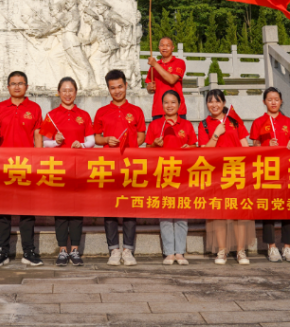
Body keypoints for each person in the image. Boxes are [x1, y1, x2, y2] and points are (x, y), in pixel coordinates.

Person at [0, 71, 43, 267]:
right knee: (3, 211)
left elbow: (38, 136)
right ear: (8, 87)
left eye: (21, 83)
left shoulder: (35, 108)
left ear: (26, 87)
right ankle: (2, 251)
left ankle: (29, 252)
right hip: (4, 166)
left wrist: (38, 162)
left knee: (27, 211)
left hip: (27, 166)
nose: (17, 87)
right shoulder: (0, 108)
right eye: (13, 83)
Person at [93, 69, 146, 266]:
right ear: (108, 89)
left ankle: (128, 250)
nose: (117, 91)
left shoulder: (137, 111)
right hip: (108, 165)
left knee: (130, 206)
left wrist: (131, 144)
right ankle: (113, 249)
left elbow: (141, 135)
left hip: (131, 166)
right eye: (113, 88)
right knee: (110, 207)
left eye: (120, 87)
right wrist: (107, 139)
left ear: (126, 86)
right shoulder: (101, 112)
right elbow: (96, 138)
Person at [199, 90, 255, 265]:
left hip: (236, 172)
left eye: (217, 101)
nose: (214, 105)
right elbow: (203, 151)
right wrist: (216, 133)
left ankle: (240, 251)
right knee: (218, 213)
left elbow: (246, 146)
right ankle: (221, 251)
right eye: (210, 102)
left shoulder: (234, 121)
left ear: (224, 103)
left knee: (239, 213)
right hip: (216, 174)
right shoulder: (204, 125)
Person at [43, 77, 94, 267]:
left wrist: (80, 144)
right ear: (58, 92)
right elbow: (44, 143)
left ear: (76, 92)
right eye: (64, 90)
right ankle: (62, 249)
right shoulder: (51, 116)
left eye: (71, 90)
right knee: (61, 210)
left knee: (76, 210)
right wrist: (55, 142)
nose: (67, 93)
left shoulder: (84, 115)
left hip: (78, 169)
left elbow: (91, 141)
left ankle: (75, 250)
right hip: (58, 169)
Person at [250, 86, 290, 263]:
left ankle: (287, 247)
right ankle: (271, 247)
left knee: (288, 207)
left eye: (276, 99)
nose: (273, 102)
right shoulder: (258, 122)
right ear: (264, 101)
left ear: (281, 101)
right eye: (269, 99)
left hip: (286, 170)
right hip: (267, 170)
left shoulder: (288, 122)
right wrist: (265, 146)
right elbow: (254, 147)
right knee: (268, 208)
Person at [146, 90, 196, 265]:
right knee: (165, 214)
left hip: (182, 175)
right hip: (163, 174)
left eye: (173, 102)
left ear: (179, 104)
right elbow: (146, 151)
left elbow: (195, 150)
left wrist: (189, 148)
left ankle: (180, 252)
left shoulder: (187, 125)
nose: (169, 105)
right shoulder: (155, 125)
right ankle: (168, 252)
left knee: (182, 213)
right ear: (161, 105)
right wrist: (154, 145)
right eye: (166, 102)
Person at [145, 36, 187, 119]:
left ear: (172, 48)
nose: (164, 48)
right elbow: (150, 88)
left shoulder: (179, 62)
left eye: (167, 45)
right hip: (158, 110)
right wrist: (149, 88)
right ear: (159, 47)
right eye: (162, 45)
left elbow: (172, 80)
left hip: (176, 110)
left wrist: (155, 64)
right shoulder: (154, 66)